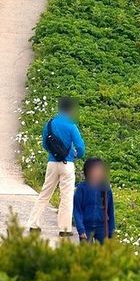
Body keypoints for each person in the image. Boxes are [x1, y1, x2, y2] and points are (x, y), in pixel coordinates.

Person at [27, 96, 85, 237]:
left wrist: (54, 153)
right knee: (66, 196)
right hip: (67, 164)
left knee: (45, 193)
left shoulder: (50, 124)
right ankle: (64, 229)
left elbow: (45, 144)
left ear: (59, 108)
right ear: (70, 109)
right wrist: (75, 155)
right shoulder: (71, 125)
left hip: (52, 163)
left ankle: (33, 224)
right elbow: (80, 146)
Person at [73, 158, 115, 244]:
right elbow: (77, 210)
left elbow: (110, 210)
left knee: (103, 254)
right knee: (86, 253)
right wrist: (81, 229)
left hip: (102, 227)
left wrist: (111, 231)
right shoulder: (81, 189)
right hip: (86, 227)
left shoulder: (105, 188)